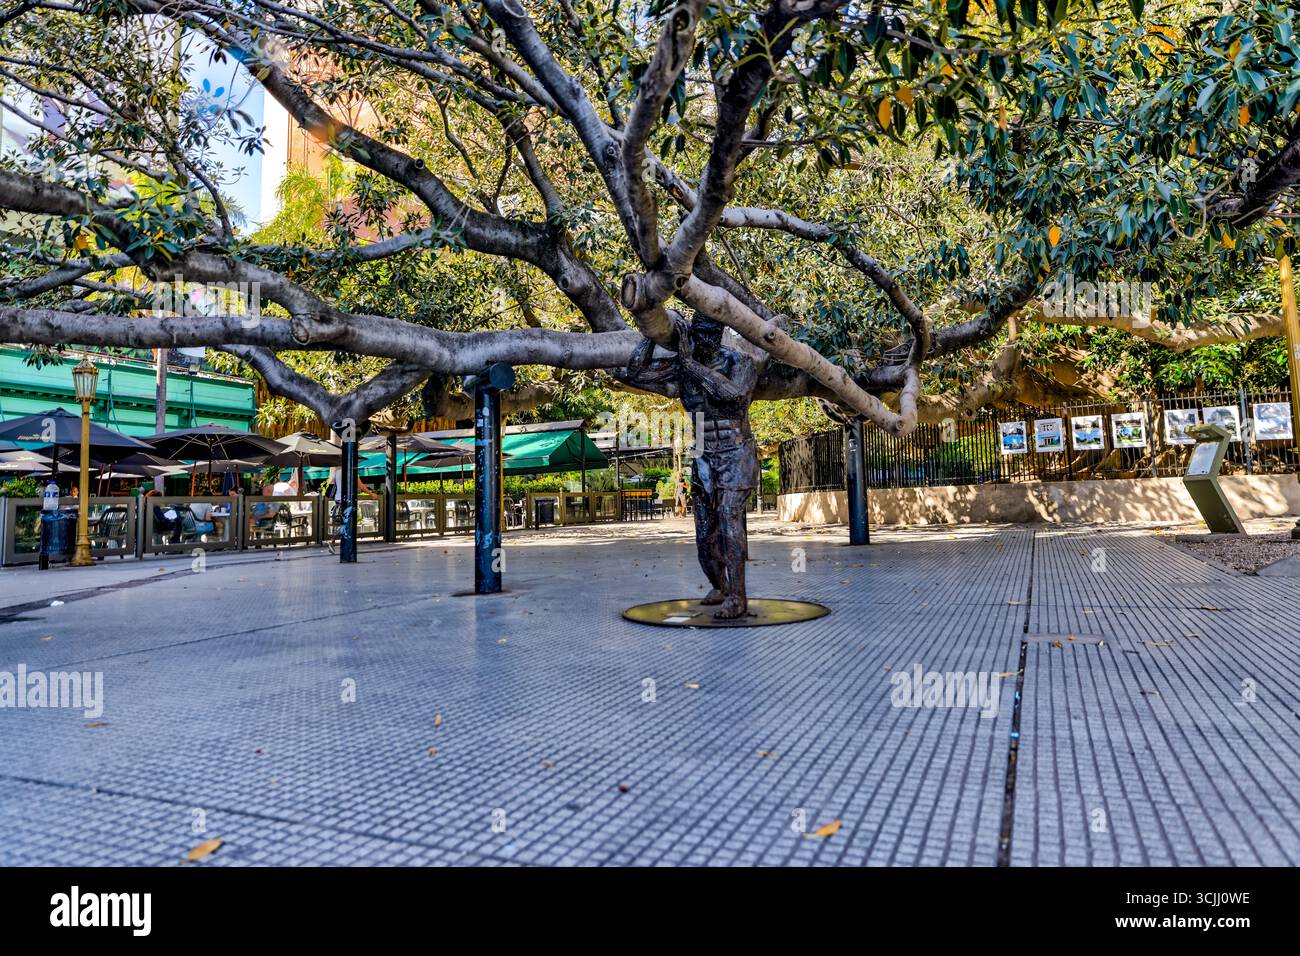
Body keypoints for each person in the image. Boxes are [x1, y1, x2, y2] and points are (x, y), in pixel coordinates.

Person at [626, 315, 758, 619]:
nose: (705, 340)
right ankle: (720, 585)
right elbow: (636, 372)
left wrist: (689, 363)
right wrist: (652, 332)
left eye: (711, 334)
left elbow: (734, 398)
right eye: (698, 334)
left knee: (728, 521)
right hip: (702, 456)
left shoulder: (740, 363)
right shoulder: (684, 364)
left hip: (736, 453)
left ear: (721, 332)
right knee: (703, 538)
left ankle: (737, 597)